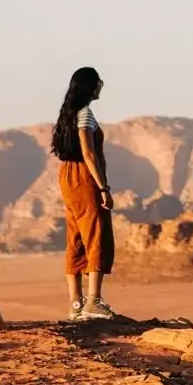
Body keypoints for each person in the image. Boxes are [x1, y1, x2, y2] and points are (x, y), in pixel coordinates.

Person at [49, 66, 116, 321]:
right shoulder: (85, 114)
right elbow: (88, 153)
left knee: (75, 235)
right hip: (83, 176)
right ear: (90, 86)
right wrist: (103, 188)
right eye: (98, 82)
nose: (101, 85)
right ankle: (93, 301)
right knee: (96, 233)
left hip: (67, 175)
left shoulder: (67, 113)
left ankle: (75, 303)